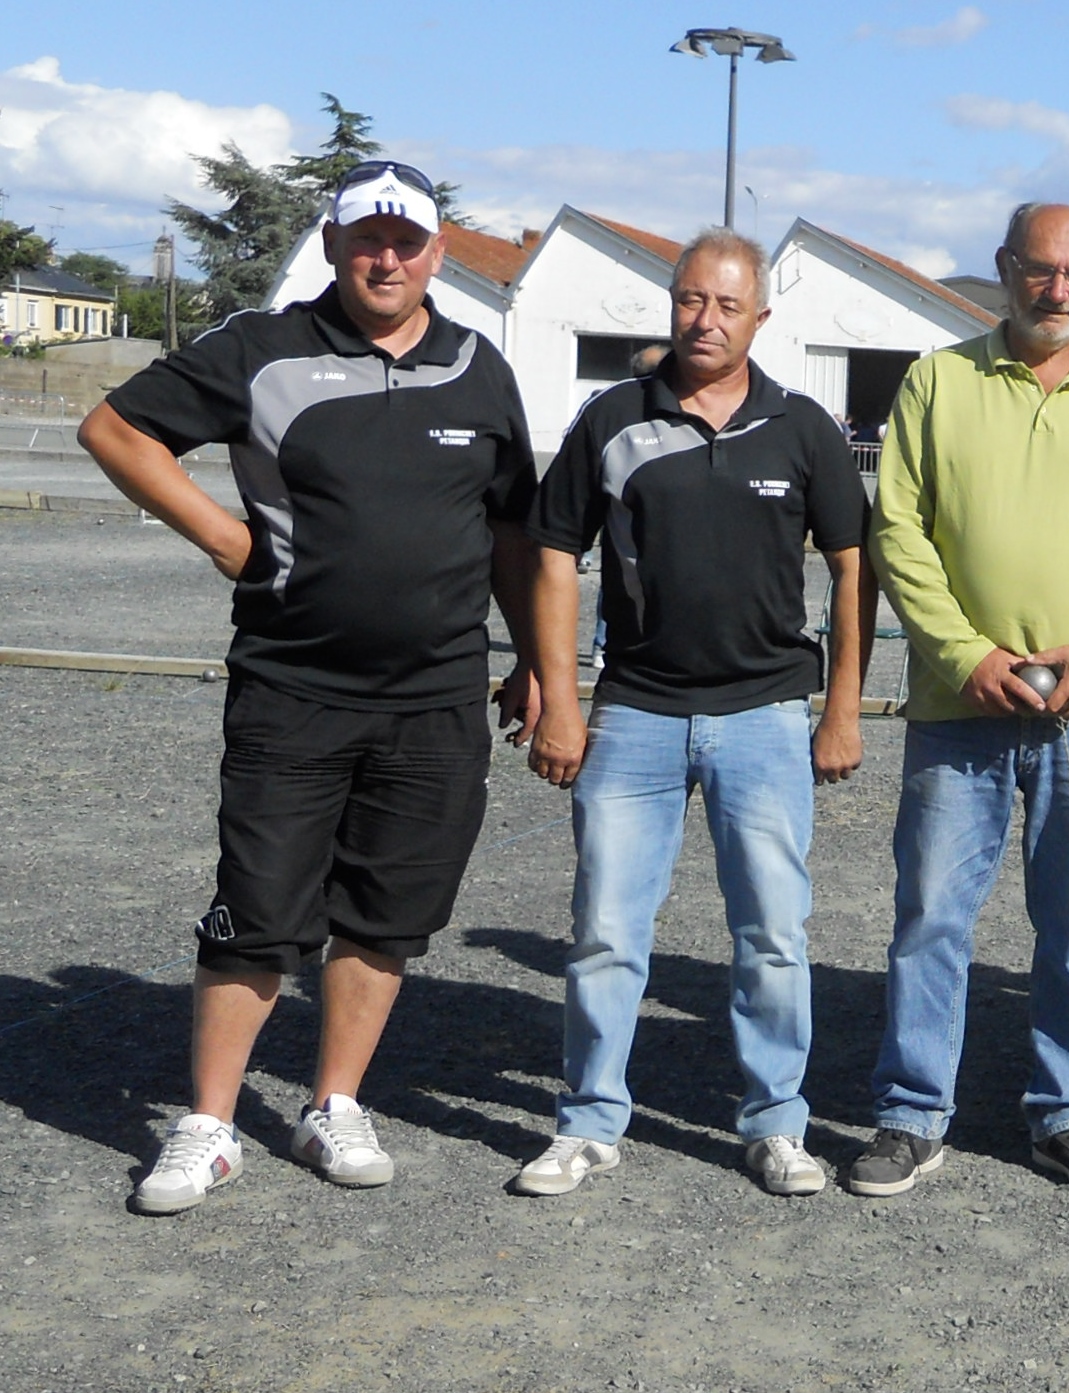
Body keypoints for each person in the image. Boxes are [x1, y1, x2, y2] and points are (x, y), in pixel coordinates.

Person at [84, 161, 540, 1214]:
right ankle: (208, 1122)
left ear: (438, 252)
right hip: (292, 688)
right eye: (366, 239)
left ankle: (333, 1102)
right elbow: (115, 429)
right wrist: (220, 535)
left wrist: (535, 664)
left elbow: (515, 530)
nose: (387, 258)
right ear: (332, 244)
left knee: (385, 914)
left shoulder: (479, 368)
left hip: (434, 698)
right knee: (257, 909)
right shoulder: (264, 348)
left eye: (408, 241)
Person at [511, 229, 874, 1198]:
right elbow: (553, 554)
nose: (703, 320)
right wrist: (558, 698)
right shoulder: (613, 420)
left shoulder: (803, 429)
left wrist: (840, 707)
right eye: (687, 300)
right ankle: (588, 1120)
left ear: (760, 317)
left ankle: (775, 1123)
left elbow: (851, 567)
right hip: (634, 711)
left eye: (724, 304)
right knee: (604, 928)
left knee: (772, 932)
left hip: (763, 716)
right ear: (670, 305)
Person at [854, 203, 1069, 1198]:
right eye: (1040, 270)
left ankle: (1067, 1110)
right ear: (1004, 269)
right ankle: (910, 1113)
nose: (1060, 291)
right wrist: (965, 655)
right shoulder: (938, 380)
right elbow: (899, 531)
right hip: (964, 705)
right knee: (929, 918)